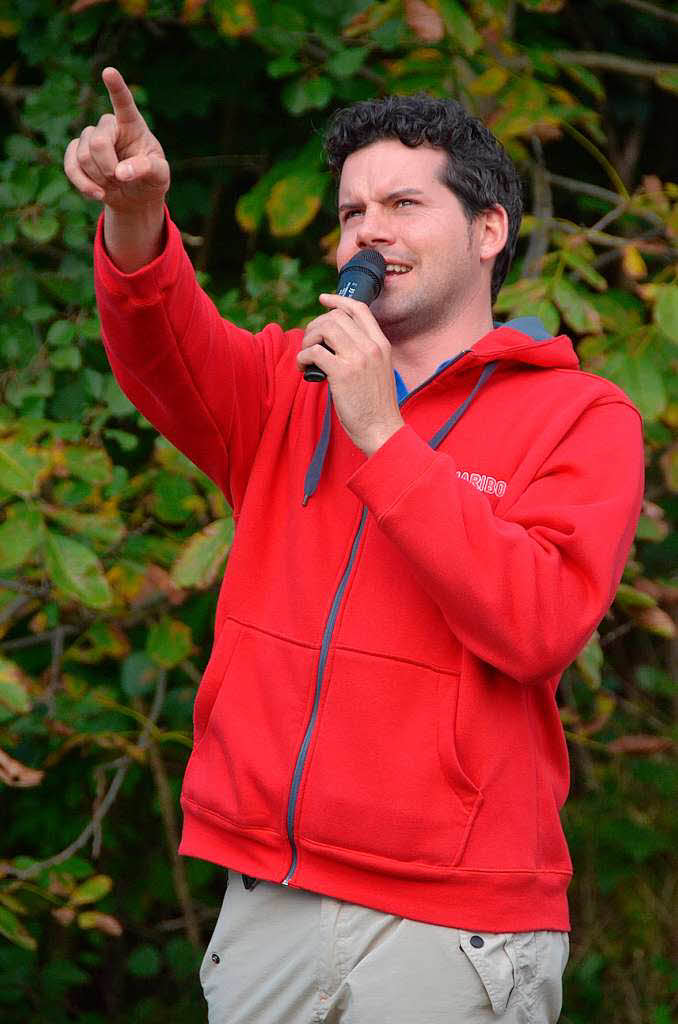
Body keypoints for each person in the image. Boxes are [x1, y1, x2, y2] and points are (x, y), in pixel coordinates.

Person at [64, 68, 644, 1024]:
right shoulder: (287, 384)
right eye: (352, 211)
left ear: (488, 229)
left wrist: (384, 436)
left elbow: (537, 624)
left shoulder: (582, 417)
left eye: (404, 203)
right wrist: (136, 215)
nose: (369, 229)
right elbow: (162, 344)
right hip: (269, 897)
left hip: (454, 921)